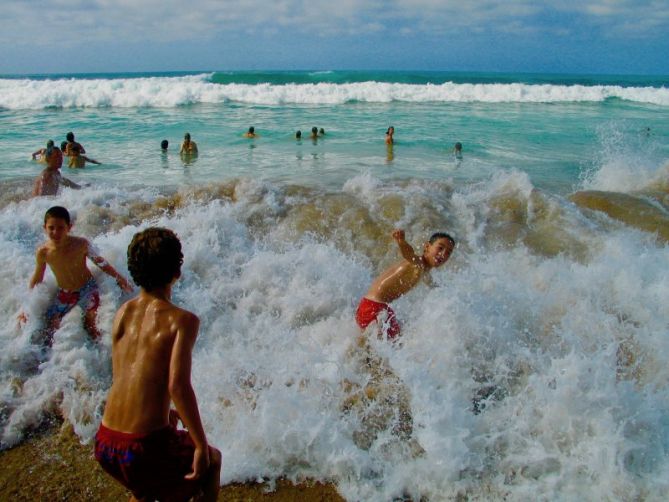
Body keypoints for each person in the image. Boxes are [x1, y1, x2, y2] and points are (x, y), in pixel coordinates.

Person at [95, 227, 221, 502]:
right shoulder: (182, 320)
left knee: (145, 487)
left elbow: (126, 376)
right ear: (176, 272)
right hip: (143, 448)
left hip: (106, 443)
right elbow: (177, 385)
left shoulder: (122, 313)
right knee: (211, 462)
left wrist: (163, 418)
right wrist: (199, 444)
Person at [26, 206, 132, 346]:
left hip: (87, 288)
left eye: (60, 228)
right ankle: (49, 362)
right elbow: (38, 277)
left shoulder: (80, 244)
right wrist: (28, 306)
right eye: (51, 228)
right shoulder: (43, 252)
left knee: (91, 324)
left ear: (69, 227)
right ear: (44, 227)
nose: (56, 232)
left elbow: (100, 262)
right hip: (65, 293)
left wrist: (120, 278)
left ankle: (101, 355)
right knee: (50, 328)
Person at [356, 229, 455, 341]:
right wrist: (401, 241)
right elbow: (409, 254)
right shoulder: (419, 264)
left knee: (399, 338)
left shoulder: (425, 271)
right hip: (373, 308)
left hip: (372, 307)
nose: (443, 254)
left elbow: (433, 285)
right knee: (390, 346)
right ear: (427, 247)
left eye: (448, 253)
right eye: (440, 248)